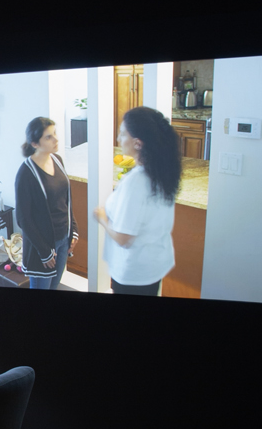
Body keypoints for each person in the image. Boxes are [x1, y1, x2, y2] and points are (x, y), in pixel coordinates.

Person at [94, 106, 181, 296]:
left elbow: (124, 239)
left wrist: (102, 219)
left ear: (138, 143)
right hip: (154, 264)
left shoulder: (136, 182)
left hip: (134, 273)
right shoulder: (163, 171)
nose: (118, 139)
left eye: (122, 134)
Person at [15, 116, 79, 290]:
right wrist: (44, 251)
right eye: (48, 137)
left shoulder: (58, 160)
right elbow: (23, 218)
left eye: (55, 133)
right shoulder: (26, 173)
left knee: (54, 287)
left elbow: (66, 199)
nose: (56, 139)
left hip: (63, 240)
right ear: (35, 143)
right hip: (42, 248)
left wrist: (73, 230)